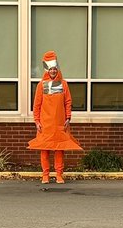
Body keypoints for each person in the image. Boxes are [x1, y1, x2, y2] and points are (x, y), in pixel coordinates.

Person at [27, 50, 82, 184]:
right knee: (45, 149)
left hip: (60, 123)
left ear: (57, 69)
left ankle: (59, 174)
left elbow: (68, 102)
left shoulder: (64, 84)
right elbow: (37, 104)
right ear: (47, 70)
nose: (53, 71)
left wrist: (68, 118)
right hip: (45, 124)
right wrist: (37, 121)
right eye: (50, 69)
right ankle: (45, 175)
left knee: (59, 149)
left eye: (54, 69)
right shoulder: (41, 85)